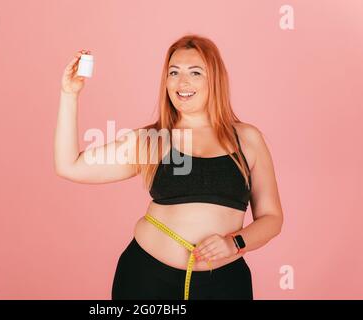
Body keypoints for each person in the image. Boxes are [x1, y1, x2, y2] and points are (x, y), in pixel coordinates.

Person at [54, 34, 283, 300]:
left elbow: (272, 218)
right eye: (174, 72)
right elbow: (69, 166)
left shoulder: (247, 139)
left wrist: (235, 243)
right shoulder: (153, 141)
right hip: (146, 280)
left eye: (195, 72)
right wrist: (69, 95)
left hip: (224, 285)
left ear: (215, 80)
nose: (182, 82)